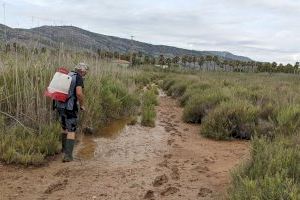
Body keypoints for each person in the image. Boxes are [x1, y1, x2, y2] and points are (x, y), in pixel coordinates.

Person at [54, 63, 88, 162]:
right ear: (83, 71)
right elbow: (79, 93)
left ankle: (64, 150)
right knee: (71, 130)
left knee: (64, 127)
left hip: (59, 105)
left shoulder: (67, 75)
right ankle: (68, 156)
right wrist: (81, 105)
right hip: (70, 107)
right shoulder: (78, 77)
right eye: (85, 72)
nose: (85, 74)